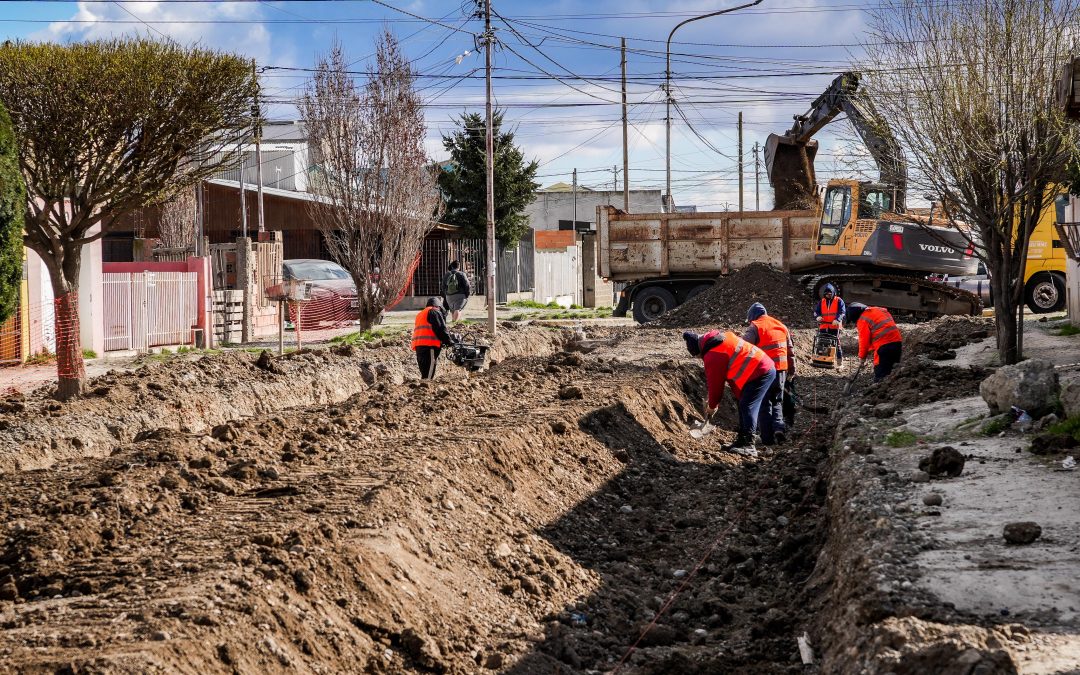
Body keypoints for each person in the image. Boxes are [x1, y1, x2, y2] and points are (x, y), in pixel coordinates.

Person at [683, 329, 777, 456]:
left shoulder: (713, 355)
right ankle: (742, 441)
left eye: (699, 356)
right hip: (761, 368)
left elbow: (716, 387)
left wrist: (712, 406)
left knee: (747, 405)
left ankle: (748, 445)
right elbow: (729, 375)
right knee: (743, 404)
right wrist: (714, 400)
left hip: (760, 371)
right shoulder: (721, 339)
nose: (701, 359)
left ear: (699, 350)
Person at [743, 302, 795, 444]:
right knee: (777, 400)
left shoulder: (755, 327)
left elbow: (743, 349)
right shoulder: (781, 325)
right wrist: (792, 370)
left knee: (764, 404)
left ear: (752, 316)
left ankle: (767, 439)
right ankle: (779, 428)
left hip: (764, 372)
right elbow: (790, 351)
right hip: (781, 371)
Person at [846, 303, 903, 381]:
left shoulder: (862, 320)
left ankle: (880, 391)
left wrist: (862, 357)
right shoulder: (878, 309)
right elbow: (880, 328)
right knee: (893, 373)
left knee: (881, 374)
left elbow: (864, 341)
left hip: (884, 347)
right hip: (897, 342)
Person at [412, 297, 457, 380]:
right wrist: (449, 341)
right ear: (438, 306)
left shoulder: (421, 314)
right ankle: (425, 389)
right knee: (429, 374)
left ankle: (423, 388)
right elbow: (440, 328)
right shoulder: (434, 311)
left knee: (424, 371)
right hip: (430, 346)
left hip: (419, 346)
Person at [814, 283, 847, 366]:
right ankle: (824, 360)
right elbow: (816, 311)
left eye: (829, 294)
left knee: (836, 343)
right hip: (824, 325)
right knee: (822, 342)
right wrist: (818, 316)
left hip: (834, 326)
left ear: (833, 293)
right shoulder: (822, 301)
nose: (828, 295)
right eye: (826, 294)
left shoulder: (839, 300)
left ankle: (839, 363)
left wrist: (837, 319)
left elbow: (842, 312)